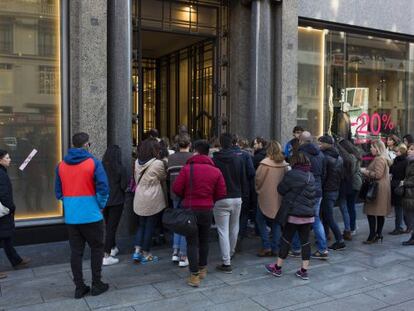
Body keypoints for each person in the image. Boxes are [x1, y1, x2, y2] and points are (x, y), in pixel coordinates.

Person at [55, 132, 109, 298]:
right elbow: (103, 188)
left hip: (72, 217)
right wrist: (99, 205)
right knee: (97, 249)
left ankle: (79, 287)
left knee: (76, 252)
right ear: (87, 145)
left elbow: (58, 192)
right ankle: (96, 283)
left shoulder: (61, 165)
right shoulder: (94, 163)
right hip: (92, 215)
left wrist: (71, 204)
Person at [173, 140, 226, 287]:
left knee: (192, 242)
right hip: (207, 209)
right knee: (204, 240)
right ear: (208, 152)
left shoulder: (187, 169)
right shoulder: (216, 170)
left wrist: (187, 195)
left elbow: (176, 189)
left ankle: (194, 276)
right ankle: (203, 269)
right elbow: (222, 192)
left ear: (195, 151)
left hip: (190, 210)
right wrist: (210, 199)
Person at [265, 152, 316, 280]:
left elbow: (281, 189)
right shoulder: (311, 176)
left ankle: (277, 268)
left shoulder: (292, 174)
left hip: (293, 214)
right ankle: (304, 271)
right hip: (308, 214)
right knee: (305, 242)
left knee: (286, 239)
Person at [213, 133, 248, 273]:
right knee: (234, 227)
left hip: (220, 198)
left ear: (220, 143)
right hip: (237, 196)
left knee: (222, 230)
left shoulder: (215, 159)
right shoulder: (239, 159)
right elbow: (243, 179)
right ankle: (231, 252)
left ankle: (226, 261)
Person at [291, 131, 328, 260]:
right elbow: (324, 173)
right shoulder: (321, 154)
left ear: (300, 140)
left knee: (296, 217)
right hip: (318, 190)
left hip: (304, 190)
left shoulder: (301, 154)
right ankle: (323, 249)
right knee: (316, 220)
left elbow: (296, 174)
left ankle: (296, 248)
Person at [132, 138, 167, 263]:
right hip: (153, 197)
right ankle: (146, 253)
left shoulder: (137, 162)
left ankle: (137, 251)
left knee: (141, 225)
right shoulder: (158, 163)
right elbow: (163, 177)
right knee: (149, 226)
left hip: (139, 196)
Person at [0, 150, 31, 279]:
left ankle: (16, 260)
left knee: (6, 237)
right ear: (0, 160)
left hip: (4, 212)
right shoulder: (1, 174)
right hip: (3, 211)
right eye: (7, 158)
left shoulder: (2, 172)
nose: (10, 159)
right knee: (4, 236)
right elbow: (3, 194)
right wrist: (11, 207)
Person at [255, 141, 289, 256]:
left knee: (260, 220)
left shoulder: (264, 164)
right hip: (279, 197)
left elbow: (258, 180)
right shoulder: (284, 164)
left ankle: (266, 246)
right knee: (277, 223)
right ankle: (276, 248)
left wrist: (258, 190)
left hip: (265, 196)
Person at [167, 134, 193, 267]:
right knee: (186, 223)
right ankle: (183, 254)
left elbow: (168, 176)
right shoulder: (192, 158)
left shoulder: (171, 158)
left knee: (178, 222)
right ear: (189, 144)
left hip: (174, 194)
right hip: (188, 195)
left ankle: (175, 252)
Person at [360, 139, 392, 244]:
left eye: (372, 147)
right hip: (381, 189)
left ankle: (372, 236)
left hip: (377, 190)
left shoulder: (379, 159)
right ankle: (378, 234)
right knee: (379, 213)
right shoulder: (383, 158)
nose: (370, 149)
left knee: (371, 212)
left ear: (377, 148)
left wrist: (366, 171)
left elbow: (378, 175)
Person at [318, 134, 346, 250]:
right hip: (334, 189)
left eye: (320, 143)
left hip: (327, 190)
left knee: (329, 216)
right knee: (325, 215)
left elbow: (323, 176)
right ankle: (324, 236)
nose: (318, 145)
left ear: (327, 144)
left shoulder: (324, 157)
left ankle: (340, 240)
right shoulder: (339, 157)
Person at [101, 145, 128, 266]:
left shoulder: (101, 167)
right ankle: (106, 254)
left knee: (108, 226)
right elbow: (124, 186)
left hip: (104, 200)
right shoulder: (120, 168)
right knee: (112, 228)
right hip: (117, 201)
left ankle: (113, 247)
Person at [231, 135, 255, 251]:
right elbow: (251, 172)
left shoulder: (222, 155)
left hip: (229, 190)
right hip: (243, 189)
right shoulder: (245, 155)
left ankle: (231, 238)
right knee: (243, 214)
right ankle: (240, 236)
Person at [337, 139, 363, 239]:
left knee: (350, 206)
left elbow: (350, 172)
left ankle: (352, 228)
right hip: (356, 183)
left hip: (352, 183)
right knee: (351, 206)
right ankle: (352, 226)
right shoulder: (355, 154)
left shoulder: (350, 157)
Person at [389, 144, 409, 235]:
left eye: (396, 151)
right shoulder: (395, 160)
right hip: (394, 185)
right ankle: (401, 226)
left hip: (400, 186)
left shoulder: (405, 161)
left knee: (400, 208)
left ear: (401, 152)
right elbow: (391, 170)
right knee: (398, 208)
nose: (395, 153)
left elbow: (406, 175)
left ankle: (400, 227)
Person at [400, 143, 414, 245]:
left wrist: (404, 183)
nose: (409, 150)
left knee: (410, 216)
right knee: (408, 215)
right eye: (409, 148)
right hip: (409, 194)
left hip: (411, 193)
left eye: (412, 149)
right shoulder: (410, 162)